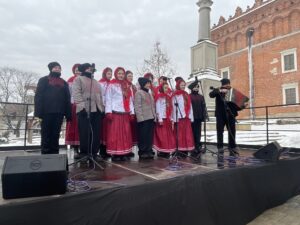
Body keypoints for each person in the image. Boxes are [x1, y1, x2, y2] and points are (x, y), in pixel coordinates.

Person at [34, 62, 71, 154]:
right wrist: (38, 113)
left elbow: (67, 98)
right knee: (46, 134)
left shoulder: (64, 82)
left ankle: (55, 153)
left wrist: (68, 113)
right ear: (50, 69)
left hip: (59, 112)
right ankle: (45, 153)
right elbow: (38, 96)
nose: (57, 69)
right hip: (46, 112)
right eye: (55, 67)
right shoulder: (43, 80)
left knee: (56, 134)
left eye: (59, 67)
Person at [72, 63, 104, 162]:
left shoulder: (96, 82)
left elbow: (100, 96)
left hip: (96, 110)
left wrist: (102, 109)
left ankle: (94, 153)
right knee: (85, 132)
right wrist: (82, 107)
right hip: (84, 110)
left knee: (96, 133)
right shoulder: (78, 79)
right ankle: (84, 153)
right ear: (84, 69)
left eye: (92, 69)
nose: (91, 70)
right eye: (88, 68)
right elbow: (76, 94)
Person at [105, 67, 135, 162]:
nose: (121, 75)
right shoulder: (112, 85)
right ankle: (116, 154)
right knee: (116, 134)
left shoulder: (127, 85)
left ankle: (124, 153)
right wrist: (108, 112)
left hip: (125, 112)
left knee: (126, 134)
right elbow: (108, 99)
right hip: (116, 112)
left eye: (122, 74)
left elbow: (129, 100)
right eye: (119, 73)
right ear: (116, 74)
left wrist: (132, 112)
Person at [209, 78, 238, 156]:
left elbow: (236, 104)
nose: (228, 85)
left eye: (229, 84)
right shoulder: (218, 90)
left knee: (232, 131)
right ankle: (220, 147)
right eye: (226, 84)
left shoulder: (232, 91)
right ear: (222, 85)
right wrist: (219, 91)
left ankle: (232, 146)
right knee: (220, 131)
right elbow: (211, 95)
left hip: (231, 115)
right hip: (220, 115)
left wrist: (242, 106)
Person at [134, 77, 156, 160]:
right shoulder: (139, 93)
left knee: (149, 136)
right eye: (147, 83)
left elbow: (152, 106)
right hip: (143, 119)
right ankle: (143, 151)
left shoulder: (149, 93)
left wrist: (154, 117)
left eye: (149, 83)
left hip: (150, 117)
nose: (148, 85)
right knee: (143, 135)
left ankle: (148, 150)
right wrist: (140, 118)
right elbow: (137, 106)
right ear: (143, 84)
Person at [172, 79, 195, 156]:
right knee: (179, 134)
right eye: (182, 85)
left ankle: (185, 149)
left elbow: (190, 106)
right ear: (178, 85)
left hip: (186, 117)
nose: (183, 87)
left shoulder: (186, 94)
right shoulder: (175, 95)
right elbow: (173, 106)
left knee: (187, 134)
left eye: (184, 85)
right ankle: (179, 149)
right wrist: (174, 118)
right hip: (179, 117)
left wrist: (191, 116)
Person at [153, 83, 176, 158]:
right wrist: (159, 118)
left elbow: (171, 108)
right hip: (162, 118)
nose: (167, 89)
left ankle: (167, 150)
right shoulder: (159, 97)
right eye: (165, 88)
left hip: (167, 118)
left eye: (167, 88)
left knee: (168, 136)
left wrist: (171, 117)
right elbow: (158, 108)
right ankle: (161, 151)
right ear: (162, 88)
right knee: (162, 136)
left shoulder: (169, 97)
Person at [65, 64, 81, 158]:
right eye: (76, 70)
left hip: (82, 106)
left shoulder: (84, 80)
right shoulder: (70, 80)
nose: (77, 72)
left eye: (79, 70)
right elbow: (68, 94)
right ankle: (75, 148)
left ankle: (82, 148)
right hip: (73, 106)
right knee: (73, 127)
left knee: (81, 127)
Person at [188, 80, 206, 157]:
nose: (196, 88)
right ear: (192, 88)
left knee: (198, 133)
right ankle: (193, 146)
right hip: (192, 118)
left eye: (197, 87)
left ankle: (198, 145)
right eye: (195, 87)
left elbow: (203, 107)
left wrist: (204, 116)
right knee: (193, 132)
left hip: (199, 117)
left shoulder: (201, 97)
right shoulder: (189, 96)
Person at [99, 67, 112, 159]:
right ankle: (102, 150)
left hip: (109, 109)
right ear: (104, 74)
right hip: (103, 109)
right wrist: (103, 107)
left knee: (108, 130)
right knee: (102, 130)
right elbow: (101, 96)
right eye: (108, 73)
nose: (110, 75)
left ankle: (107, 149)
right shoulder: (101, 83)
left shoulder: (111, 83)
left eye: (111, 73)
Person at [126, 70, 138, 156]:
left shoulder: (133, 87)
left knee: (131, 131)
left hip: (133, 109)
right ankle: (125, 149)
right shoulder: (124, 86)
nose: (131, 77)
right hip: (127, 110)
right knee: (126, 130)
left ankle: (129, 149)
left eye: (132, 76)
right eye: (129, 76)